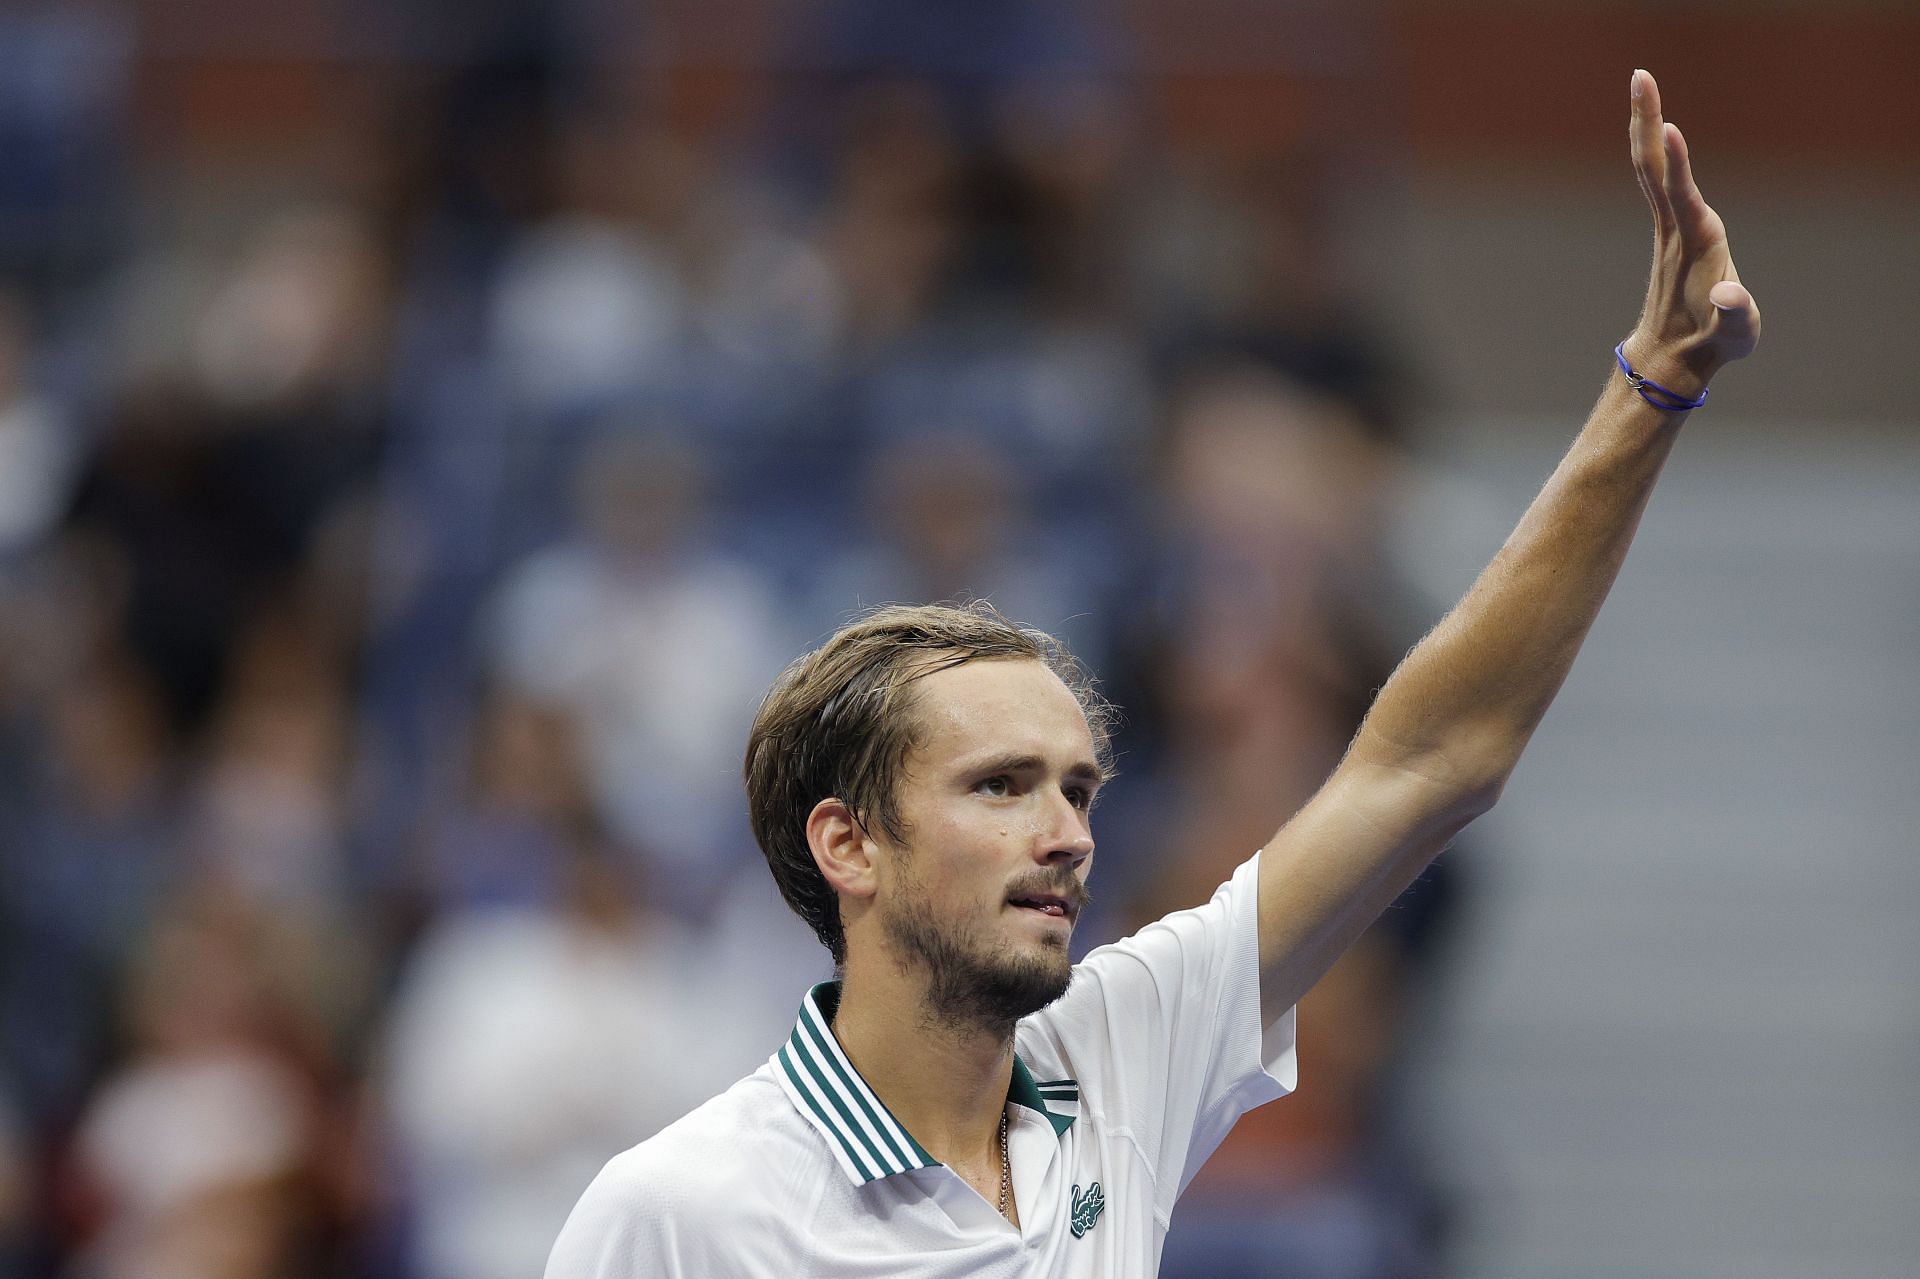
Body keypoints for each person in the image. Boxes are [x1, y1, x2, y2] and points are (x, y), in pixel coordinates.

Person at [544, 70, 1759, 1278]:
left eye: (1076, 788)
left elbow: (1433, 756)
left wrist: (1650, 391)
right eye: (1001, 785)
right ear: (848, 844)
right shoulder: (674, 1212)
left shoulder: (1117, 1059)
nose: (1069, 832)